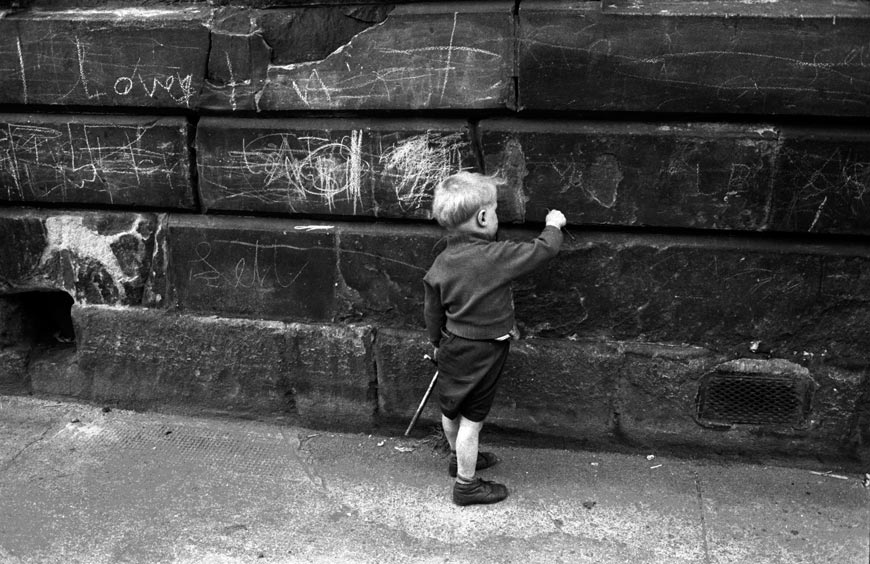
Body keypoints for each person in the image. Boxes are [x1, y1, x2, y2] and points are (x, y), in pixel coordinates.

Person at [423, 171, 566, 506]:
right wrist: (553, 224)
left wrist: (435, 342)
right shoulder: (495, 256)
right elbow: (542, 250)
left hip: (452, 345)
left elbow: (432, 312)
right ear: (484, 217)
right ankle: (466, 485)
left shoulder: (441, 262)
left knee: (451, 408)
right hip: (484, 350)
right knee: (473, 421)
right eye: (496, 211)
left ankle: (458, 459)